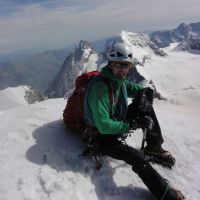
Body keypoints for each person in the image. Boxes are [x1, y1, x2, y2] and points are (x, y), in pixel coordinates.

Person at [83, 42, 184, 200]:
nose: (123, 70)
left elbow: (136, 89)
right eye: (119, 65)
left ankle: (154, 147)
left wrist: (146, 93)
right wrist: (132, 124)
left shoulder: (119, 81)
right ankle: (165, 194)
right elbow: (104, 126)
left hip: (116, 122)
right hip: (101, 137)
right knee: (136, 157)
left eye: (127, 66)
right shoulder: (100, 88)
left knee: (145, 105)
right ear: (110, 65)